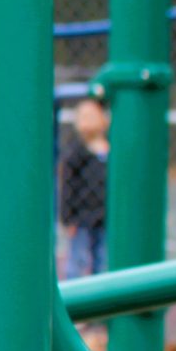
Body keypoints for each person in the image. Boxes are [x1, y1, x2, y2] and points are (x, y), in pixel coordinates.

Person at [61, 93, 111, 279]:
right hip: (81, 216)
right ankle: (74, 294)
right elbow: (67, 186)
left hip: (104, 215)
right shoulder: (75, 152)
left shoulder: (110, 149)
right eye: (84, 117)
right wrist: (68, 218)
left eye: (93, 116)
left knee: (102, 258)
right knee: (77, 258)